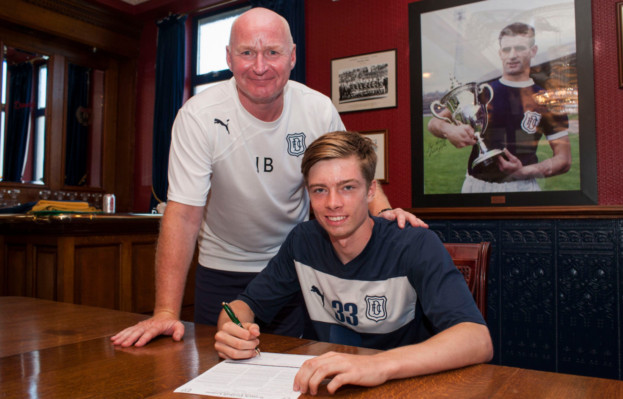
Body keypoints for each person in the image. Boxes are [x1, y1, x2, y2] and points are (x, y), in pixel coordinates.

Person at [111, 7, 425, 348]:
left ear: (292, 56)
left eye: (272, 52)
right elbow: (184, 215)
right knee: (215, 375)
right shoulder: (198, 117)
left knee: (290, 370)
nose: (259, 66)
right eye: (247, 53)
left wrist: (386, 220)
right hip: (222, 268)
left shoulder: (317, 110)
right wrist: (166, 312)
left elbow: (353, 178)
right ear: (229, 58)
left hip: (294, 267)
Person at [214, 131, 493, 395]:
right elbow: (243, 306)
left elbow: (477, 340)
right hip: (322, 386)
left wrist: (377, 365)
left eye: (347, 187)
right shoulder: (302, 242)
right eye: (320, 190)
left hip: (402, 386)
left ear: (371, 191)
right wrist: (232, 331)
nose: (332, 203)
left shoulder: (415, 244)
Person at [427, 22, 571, 193]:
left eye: (519, 48)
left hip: (522, 187)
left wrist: (523, 172)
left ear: (533, 51)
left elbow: (564, 159)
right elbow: (434, 123)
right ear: (500, 53)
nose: (512, 55)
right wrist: (448, 130)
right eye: (506, 50)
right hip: (475, 185)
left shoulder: (546, 99)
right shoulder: (480, 89)